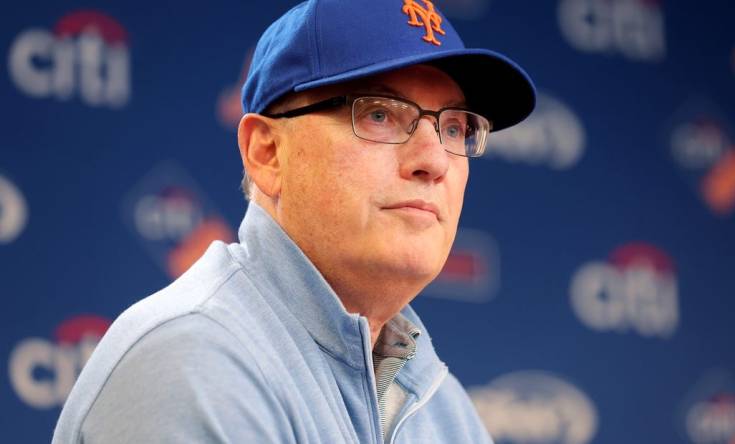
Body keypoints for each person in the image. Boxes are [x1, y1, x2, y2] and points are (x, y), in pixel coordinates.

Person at [53, 0, 535, 442]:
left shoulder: (440, 405)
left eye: (454, 127)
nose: (435, 160)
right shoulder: (193, 360)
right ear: (267, 154)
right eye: (379, 114)